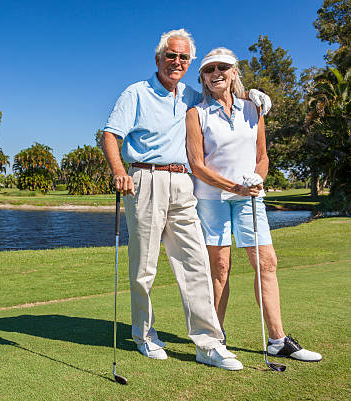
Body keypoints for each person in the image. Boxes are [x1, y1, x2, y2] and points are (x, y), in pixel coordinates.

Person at [101, 29, 269, 370]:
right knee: (144, 267)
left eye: (183, 58)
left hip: (183, 183)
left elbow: (224, 98)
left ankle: (208, 343)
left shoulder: (192, 96)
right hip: (144, 179)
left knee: (195, 261)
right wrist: (119, 170)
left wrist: (254, 96)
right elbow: (110, 134)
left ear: (189, 63)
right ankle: (144, 335)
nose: (176, 62)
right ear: (159, 58)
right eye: (171, 56)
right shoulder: (136, 93)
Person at [185, 47, 322, 362]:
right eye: (209, 70)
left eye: (223, 67)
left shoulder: (253, 108)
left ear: (234, 72)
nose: (216, 73)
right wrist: (234, 185)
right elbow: (197, 164)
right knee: (219, 268)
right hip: (212, 199)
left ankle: (277, 340)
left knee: (267, 264)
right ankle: (213, 341)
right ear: (203, 79)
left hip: (250, 198)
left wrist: (258, 179)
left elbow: (262, 157)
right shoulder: (196, 114)